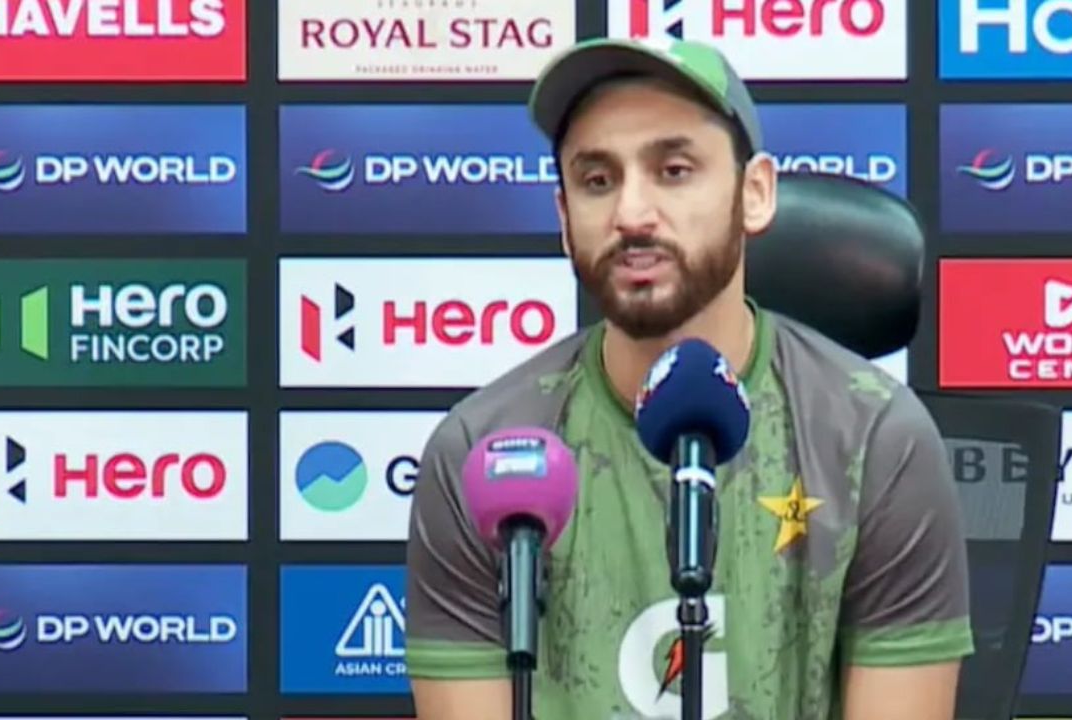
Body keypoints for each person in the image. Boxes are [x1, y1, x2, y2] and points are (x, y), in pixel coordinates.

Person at [404, 36, 974, 720]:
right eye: (597, 180)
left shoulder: (879, 440)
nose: (631, 214)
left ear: (755, 194)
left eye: (673, 171)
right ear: (563, 217)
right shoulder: (484, 454)